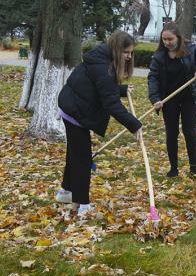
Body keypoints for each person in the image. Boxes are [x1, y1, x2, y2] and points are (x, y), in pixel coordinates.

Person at [56, 31, 143, 217]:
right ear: (117, 49)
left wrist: (121, 89)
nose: (129, 57)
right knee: (82, 159)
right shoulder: (104, 67)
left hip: (72, 106)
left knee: (76, 154)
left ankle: (65, 192)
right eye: (126, 52)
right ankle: (82, 206)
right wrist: (134, 124)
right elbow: (111, 103)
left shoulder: (101, 58)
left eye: (131, 53)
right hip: (75, 111)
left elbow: (100, 86)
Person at [148, 22, 196, 177]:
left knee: (189, 132)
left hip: (189, 97)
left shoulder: (191, 49)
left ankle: (193, 168)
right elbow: (153, 78)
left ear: (177, 37)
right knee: (171, 133)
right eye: (164, 39)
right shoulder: (159, 57)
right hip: (169, 99)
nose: (167, 43)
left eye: (170, 39)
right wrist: (155, 98)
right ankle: (174, 168)